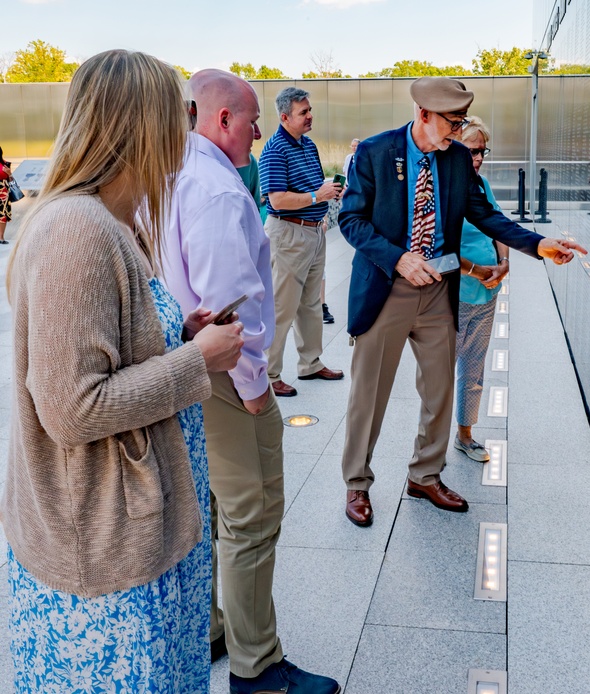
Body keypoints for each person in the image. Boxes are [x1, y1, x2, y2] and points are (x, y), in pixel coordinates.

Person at [0, 49, 244, 692]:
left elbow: (109, 354)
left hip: (128, 537)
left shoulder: (105, 219)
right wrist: (199, 360)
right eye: (177, 115)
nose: (186, 133)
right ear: (142, 124)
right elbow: (72, 409)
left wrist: (180, 337)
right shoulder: (77, 229)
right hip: (105, 561)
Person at [162, 70, 342, 694]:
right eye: (253, 119)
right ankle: (257, 666)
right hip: (225, 376)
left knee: (214, 508)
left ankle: (218, 626)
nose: (260, 131)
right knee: (253, 516)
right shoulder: (216, 189)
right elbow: (227, 305)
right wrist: (255, 385)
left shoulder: (171, 173)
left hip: (188, 370)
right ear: (221, 121)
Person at [338, 77, 586, 527]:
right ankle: (357, 484)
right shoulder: (375, 153)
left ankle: (425, 475)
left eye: (461, 122)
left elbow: (485, 214)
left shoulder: (454, 159)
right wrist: (398, 259)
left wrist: (539, 244)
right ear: (423, 115)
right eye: (452, 122)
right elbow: (350, 219)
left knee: (440, 389)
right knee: (369, 393)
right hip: (386, 287)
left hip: (438, 290)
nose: (458, 131)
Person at [260, 87, 344, 397]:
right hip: (288, 234)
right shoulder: (274, 150)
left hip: (312, 231)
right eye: (303, 112)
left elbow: (312, 187)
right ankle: (269, 375)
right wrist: (315, 196)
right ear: (284, 117)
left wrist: (329, 191)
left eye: (310, 110)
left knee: (310, 303)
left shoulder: (307, 145)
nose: (310, 116)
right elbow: (277, 199)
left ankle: (310, 363)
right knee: (282, 307)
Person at [453, 116, 509, 461]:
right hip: (454, 294)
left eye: (482, 152)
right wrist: (475, 270)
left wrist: (504, 263)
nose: (478, 159)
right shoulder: (443, 190)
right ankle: (428, 449)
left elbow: (498, 224)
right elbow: (437, 246)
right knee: (440, 375)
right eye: (472, 151)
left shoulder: (481, 185)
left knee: (474, 369)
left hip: (486, 292)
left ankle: (465, 434)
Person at [0, 145, 13, 243]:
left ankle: (1, 237)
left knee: (3, 216)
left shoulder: (5, 164)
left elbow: (12, 181)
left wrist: (9, 174)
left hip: (3, 194)